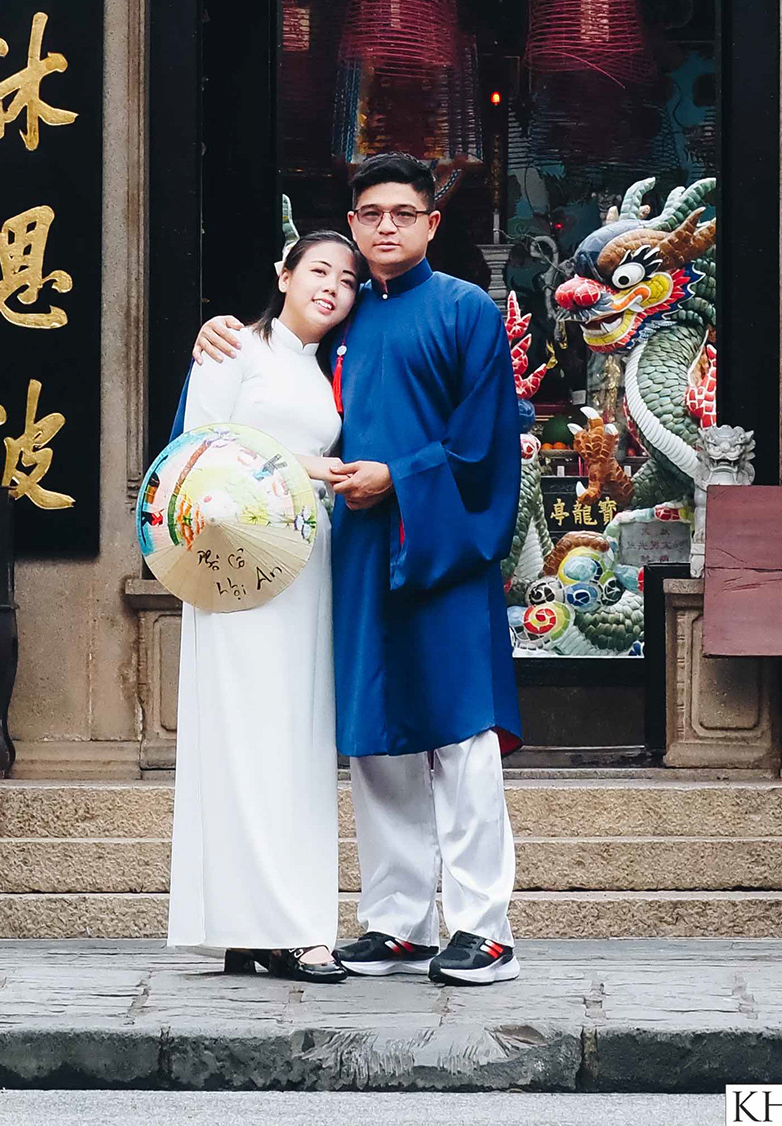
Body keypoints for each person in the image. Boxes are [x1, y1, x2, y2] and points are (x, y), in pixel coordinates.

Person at [193, 153, 524, 987]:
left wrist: (399, 479)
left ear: (431, 224)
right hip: (357, 552)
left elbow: (484, 447)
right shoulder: (341, 318)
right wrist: (222, 333)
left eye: (403, 214)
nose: (385, 227)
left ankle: (484, 928)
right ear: (352, 223)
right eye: (370, 214)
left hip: (445, 545)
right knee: (378, 742)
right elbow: (270, 379)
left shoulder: (466, 312)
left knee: (463, 738)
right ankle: (398, 921)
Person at [167, 229, 360, 983]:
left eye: (347, 279)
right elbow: (198, 454)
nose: (332, 286)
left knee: (294, 741)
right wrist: (308, 465)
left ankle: (260, 924)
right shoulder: (232, 348)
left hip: (306, 566)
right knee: (243, 737)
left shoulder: (325, 368)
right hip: (236, 564)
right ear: (283, 274)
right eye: (319, 270)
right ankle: (280, 926)